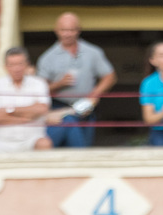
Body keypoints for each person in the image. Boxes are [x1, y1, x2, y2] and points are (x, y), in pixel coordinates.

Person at [36, 12, 117, 148]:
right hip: (59, 108)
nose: (67, 34)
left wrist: (93, 96)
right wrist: (58, 84)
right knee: (71, 147)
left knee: (85, 146)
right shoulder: (47, 57)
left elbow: (110, 77)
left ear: (78, 30)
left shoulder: (93, 52)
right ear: (56, 30)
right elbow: (38, 89)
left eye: (71, 30)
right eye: (63, 30)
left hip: (86, 108)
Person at [0, 47, 58, 153]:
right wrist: (25, 117)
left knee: (44, 144)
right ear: (5, 67)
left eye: (20, 64)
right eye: (12, 65)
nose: (16, 69)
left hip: (31, 140)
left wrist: (8, 110)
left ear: (27, 65)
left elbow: (42, 109)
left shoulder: (39, 83)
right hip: (0, 141)